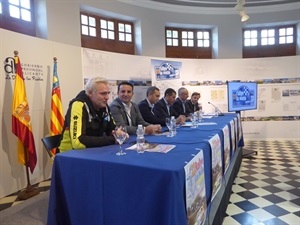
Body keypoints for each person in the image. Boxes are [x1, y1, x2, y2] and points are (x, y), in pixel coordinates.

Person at [58, 77, 127, 153]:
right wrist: (112, 139)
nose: (107, 97)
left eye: (108, 93)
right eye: (103, 93)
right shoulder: (78, 105)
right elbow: (78, 142)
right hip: (70, 154)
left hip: (93, 151)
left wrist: (119, 133)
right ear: (90, 93)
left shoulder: (103, 106)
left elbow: (113, 129)